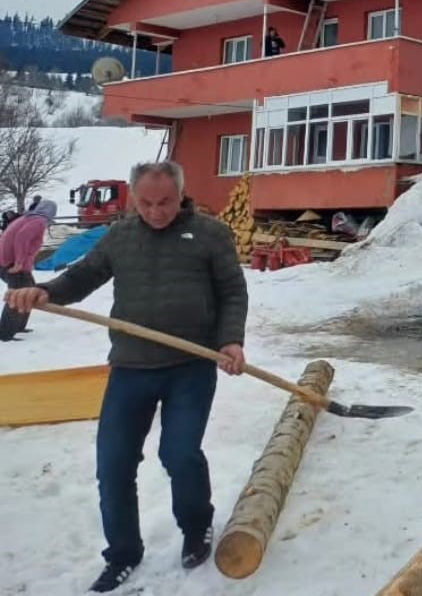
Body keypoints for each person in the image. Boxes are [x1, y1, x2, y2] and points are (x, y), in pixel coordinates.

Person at [4, 161, 248, 593]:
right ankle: (122, 553)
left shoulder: (210, 234)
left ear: (181, 194)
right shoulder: (121, 236)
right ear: (134, 199)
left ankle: (196, 527)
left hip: (190, 366)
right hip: (131, 367)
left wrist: (230, 340)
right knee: (113, 464)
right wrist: (46, 291)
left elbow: (232, 291)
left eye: (165, 202)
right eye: (146, 203)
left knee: (180, 454)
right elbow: (83, 275)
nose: (156, 212)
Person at [0, 199, 57, 340]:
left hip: (7, 262)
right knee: (19, 294)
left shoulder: (28, 218)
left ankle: (18, 326)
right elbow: (21, 239)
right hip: (11, 264)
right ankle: (5, 333)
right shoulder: (38, 221)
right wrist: (19, 263)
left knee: (29, 291)